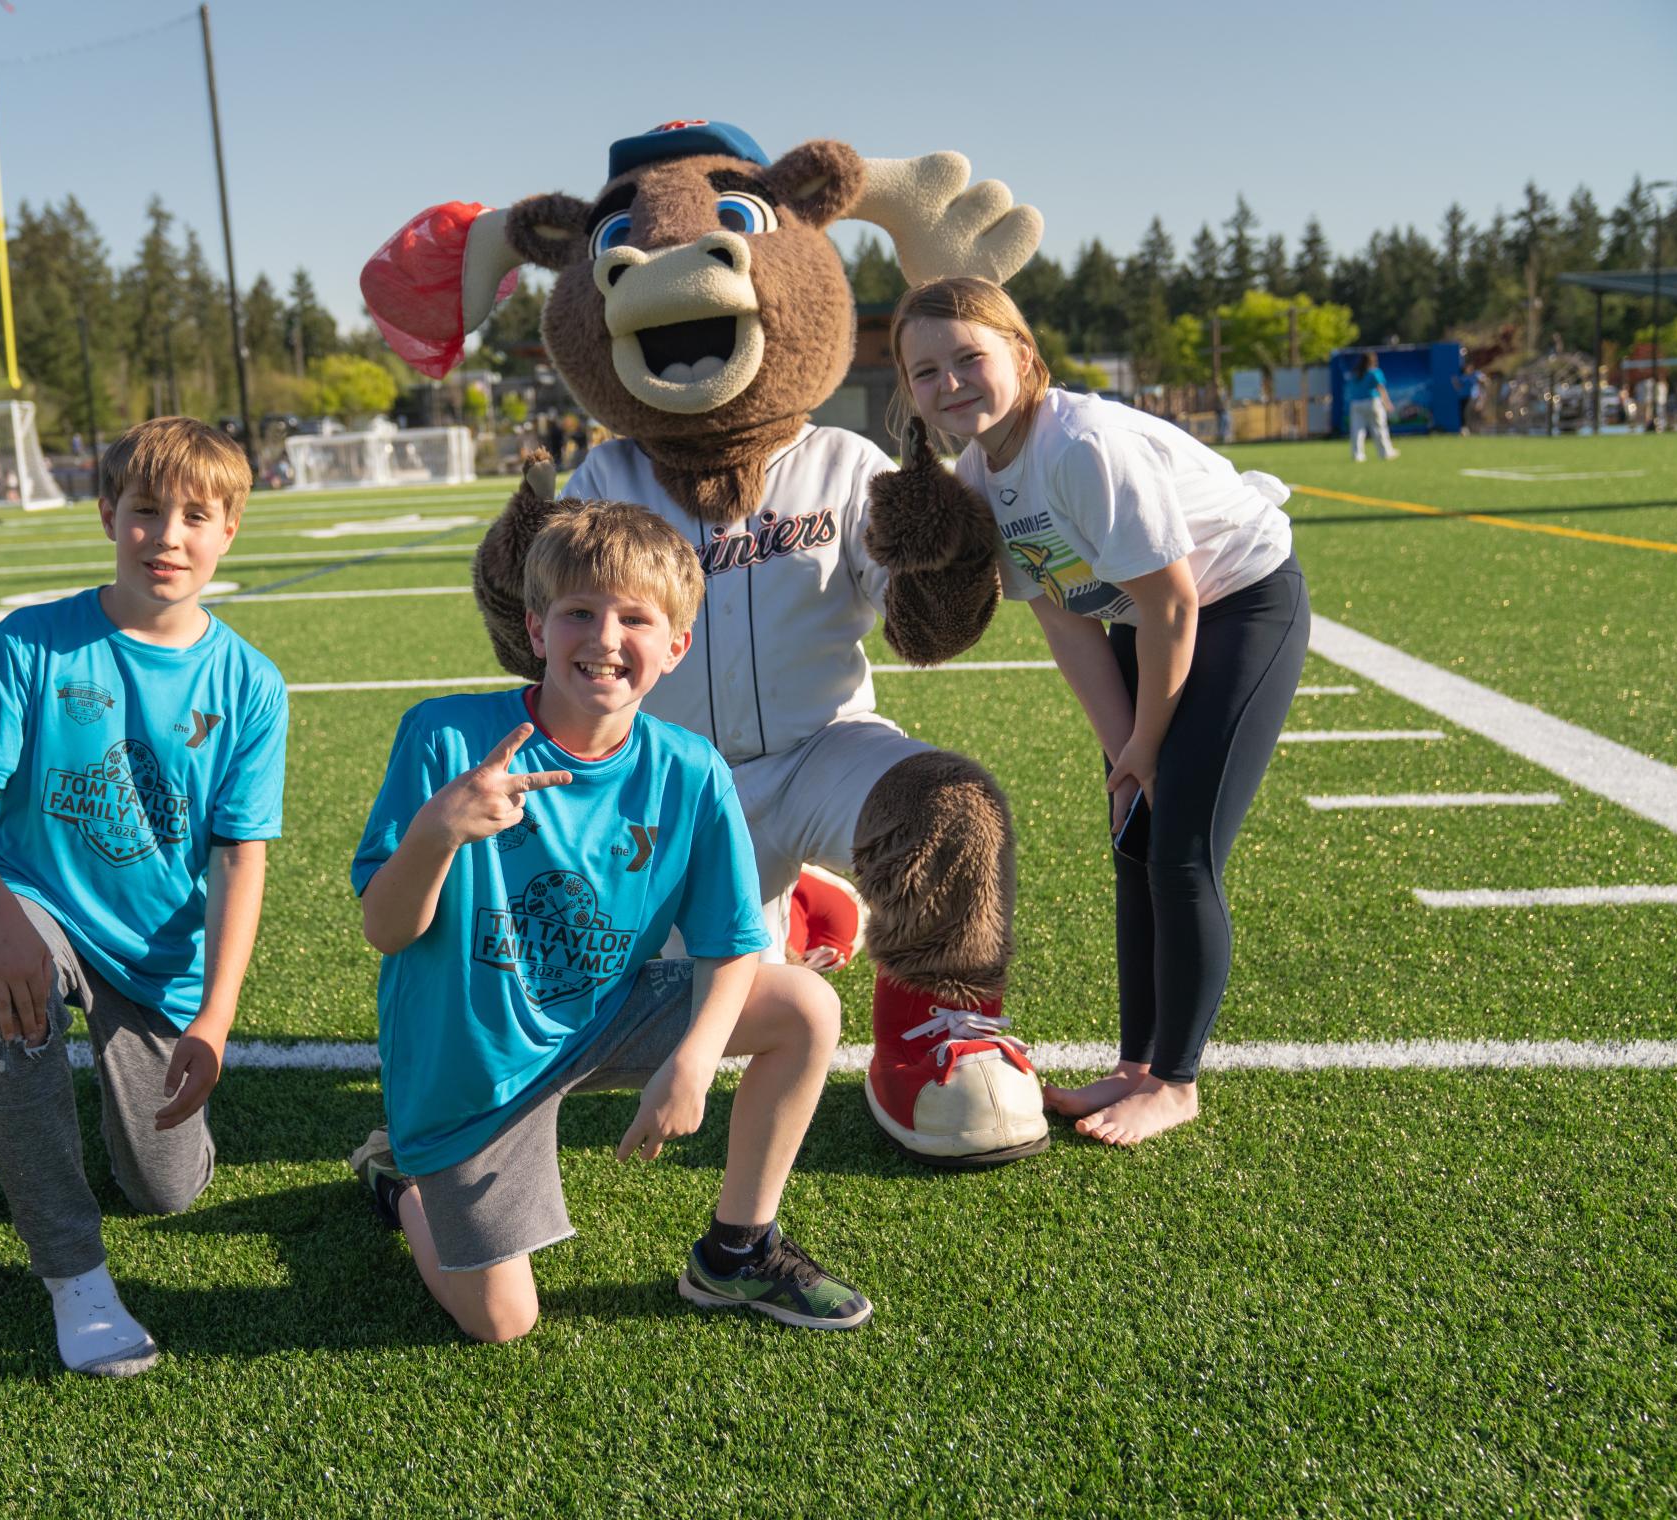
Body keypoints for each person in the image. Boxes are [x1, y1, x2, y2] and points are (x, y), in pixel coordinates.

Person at [347, 502, 869, 1340]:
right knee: (503, 1323)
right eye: (579, 613)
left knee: (806, 1007)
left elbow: (732, 944)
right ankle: (401, 1176)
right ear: (535, 627)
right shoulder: (446, 738)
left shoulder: (688, 770)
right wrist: (439, 829)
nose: (605, 637)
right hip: (471, 1060)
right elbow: (387, 930)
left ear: (675, 647)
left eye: (635, 618)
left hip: (602, 1017)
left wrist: (694, 1063)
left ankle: (737, 1251)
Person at [890, 277, 1309, 1146]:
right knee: (1134, 837)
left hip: (1234, 600)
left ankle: (1178, 1083)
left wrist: (1152, 741)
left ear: (1023, 355)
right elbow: (1062, 613)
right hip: (1136, 614)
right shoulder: (979, 473)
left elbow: (1175, 605)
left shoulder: (1078, 447)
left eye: (972, 357)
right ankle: (1133, 1065)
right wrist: (1124, 753)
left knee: (1182, 850)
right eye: (926, 371)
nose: (952, 382)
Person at [0, 416, 288, 1376]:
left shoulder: (251, 683)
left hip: (158, 955)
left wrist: (216, 1018)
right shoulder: (32, 643)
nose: (167, 536)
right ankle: (74, 1276)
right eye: (144, 511)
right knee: (13, 990)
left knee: (165, 1189)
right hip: (34, 899)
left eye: (194, 516)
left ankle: (141, 1125)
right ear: (105, 516)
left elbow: (240, 861)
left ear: (229, 531)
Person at [1345, 352, 1398, 461]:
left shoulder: (1356, 373)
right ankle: (1385, 453)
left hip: (1356, 403)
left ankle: (1357, 455)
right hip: (1372, 402)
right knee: (1379, 428)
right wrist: (1387, 403)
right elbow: (1381, 388)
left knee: (1357, 431)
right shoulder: (1375, 372)